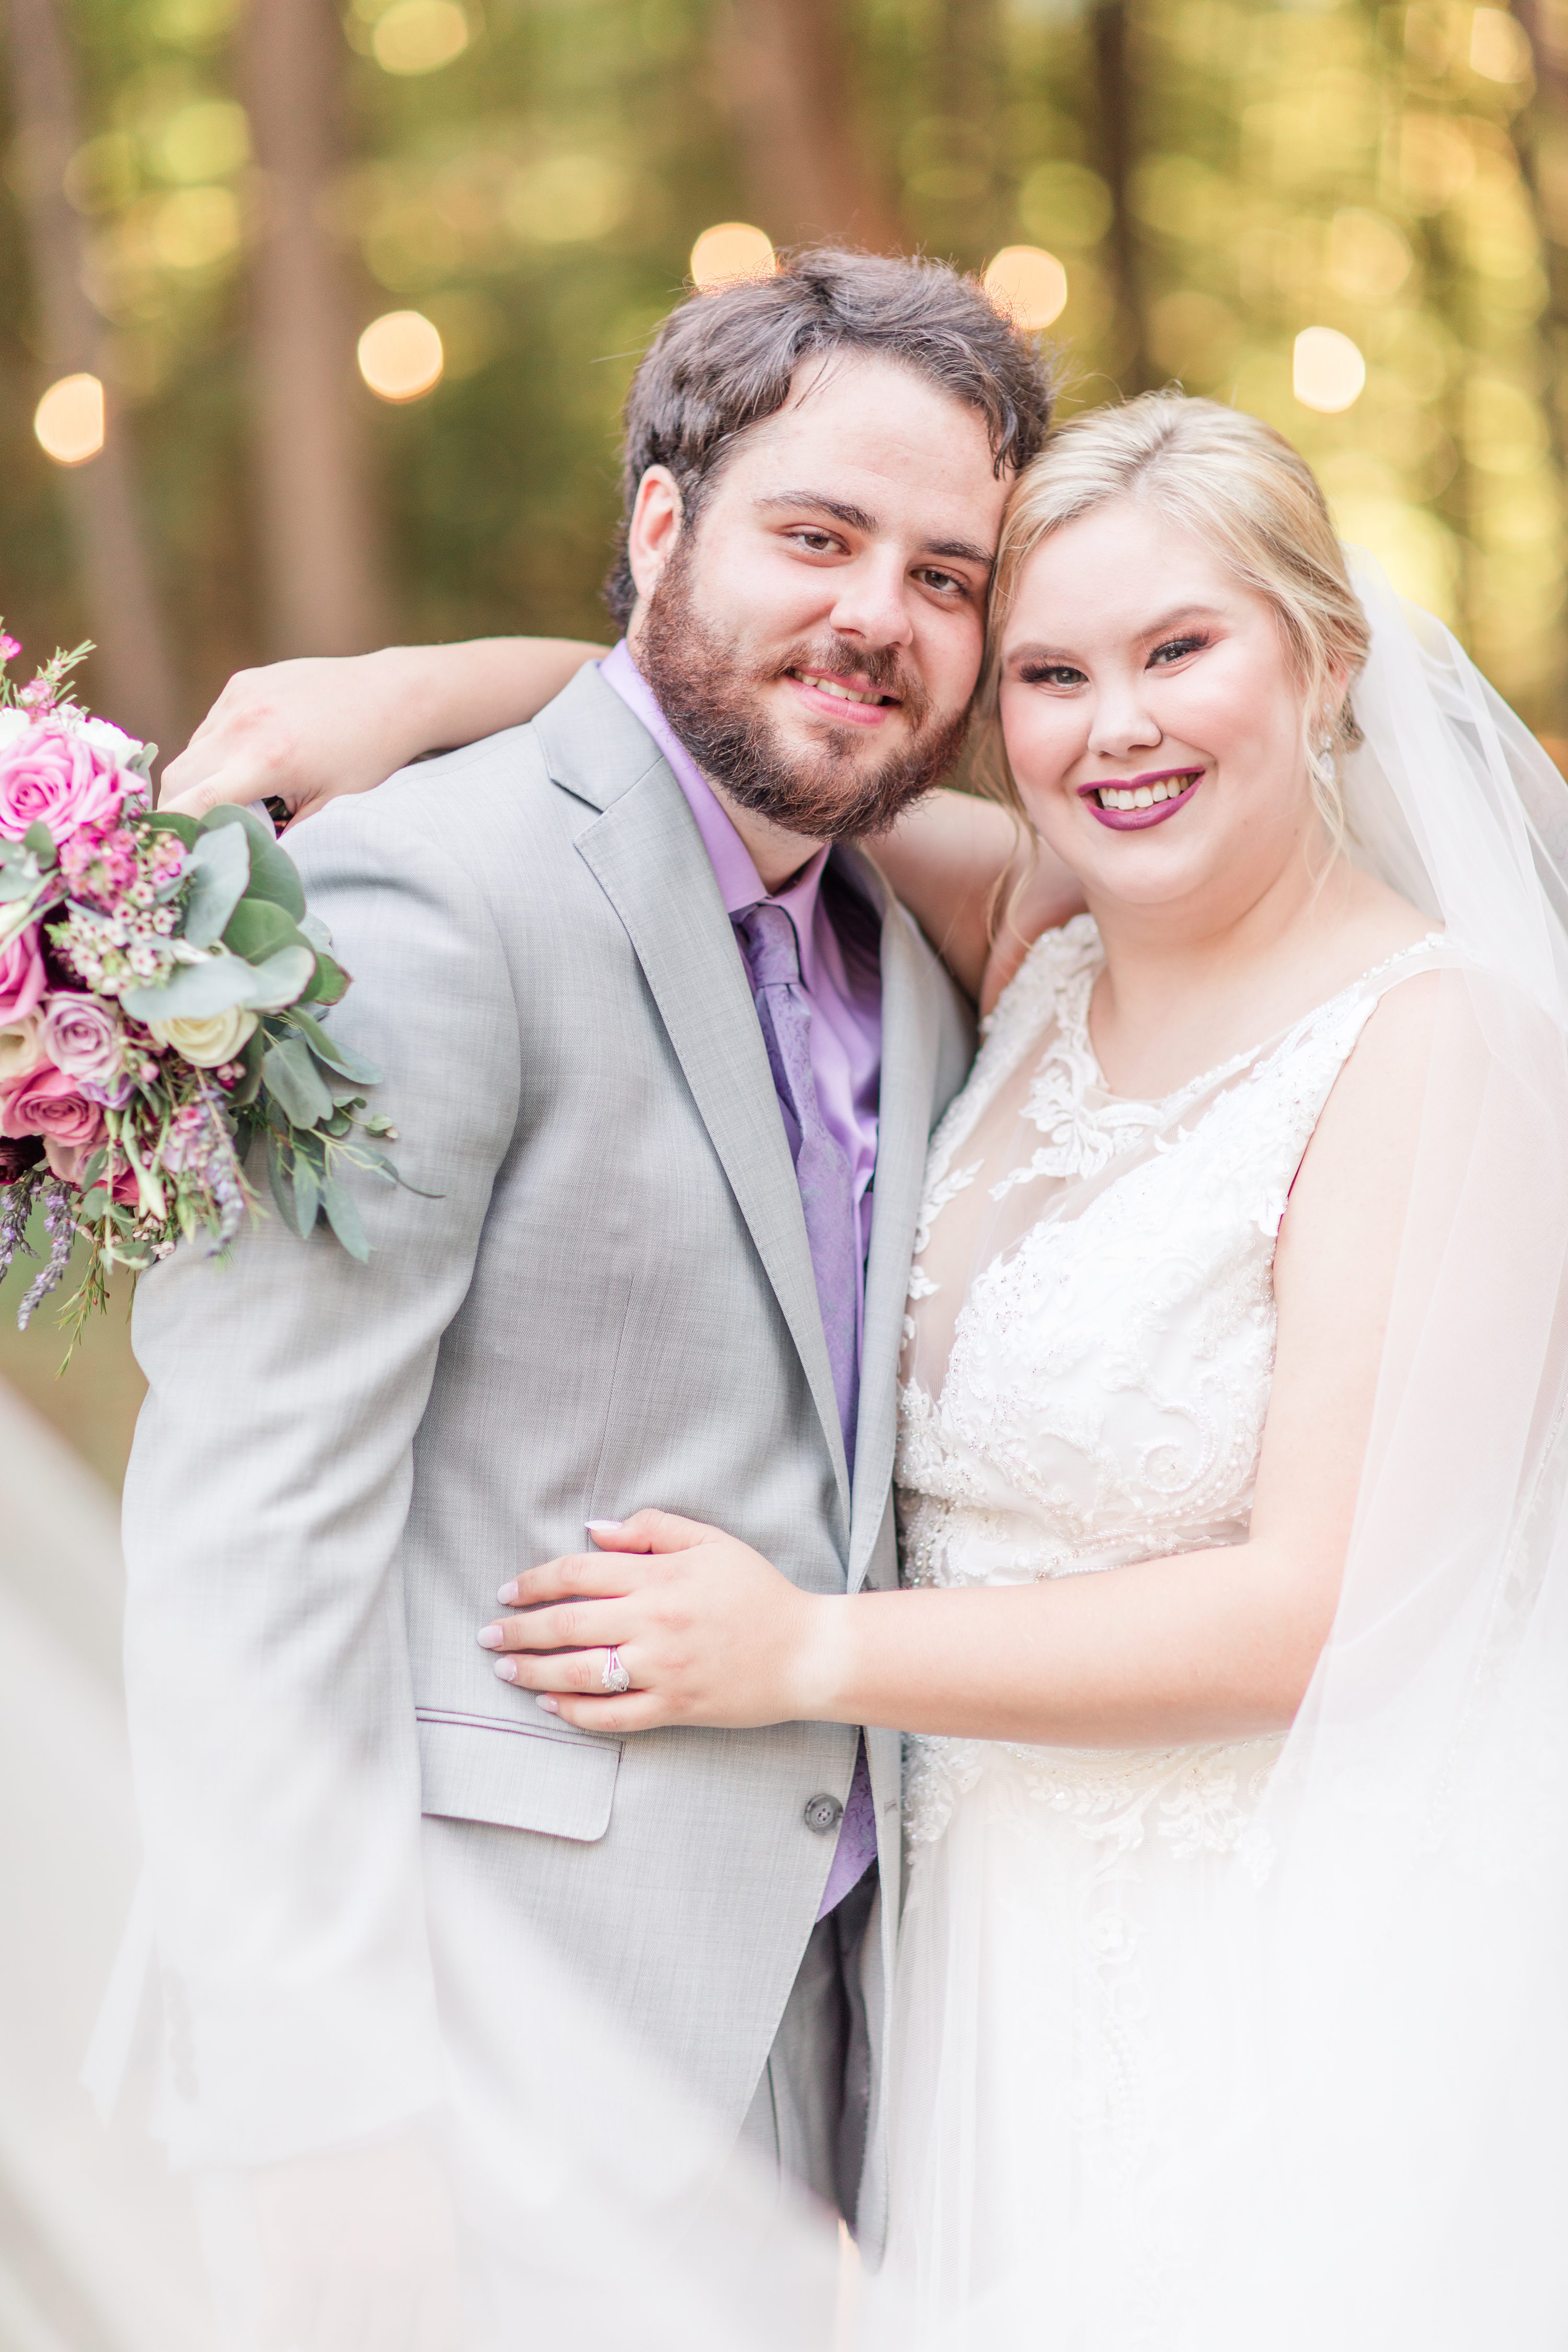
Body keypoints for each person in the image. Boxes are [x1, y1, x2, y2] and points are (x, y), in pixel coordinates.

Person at [207, 394, 1568, 2347]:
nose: (1119, 729)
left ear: (1325, 658)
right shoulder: (1035, 937)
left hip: (1263, 1968)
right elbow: (709, 730)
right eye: (1050, 673)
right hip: (968, 1981)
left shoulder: (1439, 1049)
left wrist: (807, 1650)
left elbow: (1320, 1601)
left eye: (1182, 651)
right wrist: (410, 689)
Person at [122, 247, 1071, 2343]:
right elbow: (246, 1545)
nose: (876, 618)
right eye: (816, 537)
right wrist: (318, 2118)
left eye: (942, 576)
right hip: (468, 2072)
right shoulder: (423, 898)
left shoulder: (918, 953)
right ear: (663, 522)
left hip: (811, 2079)